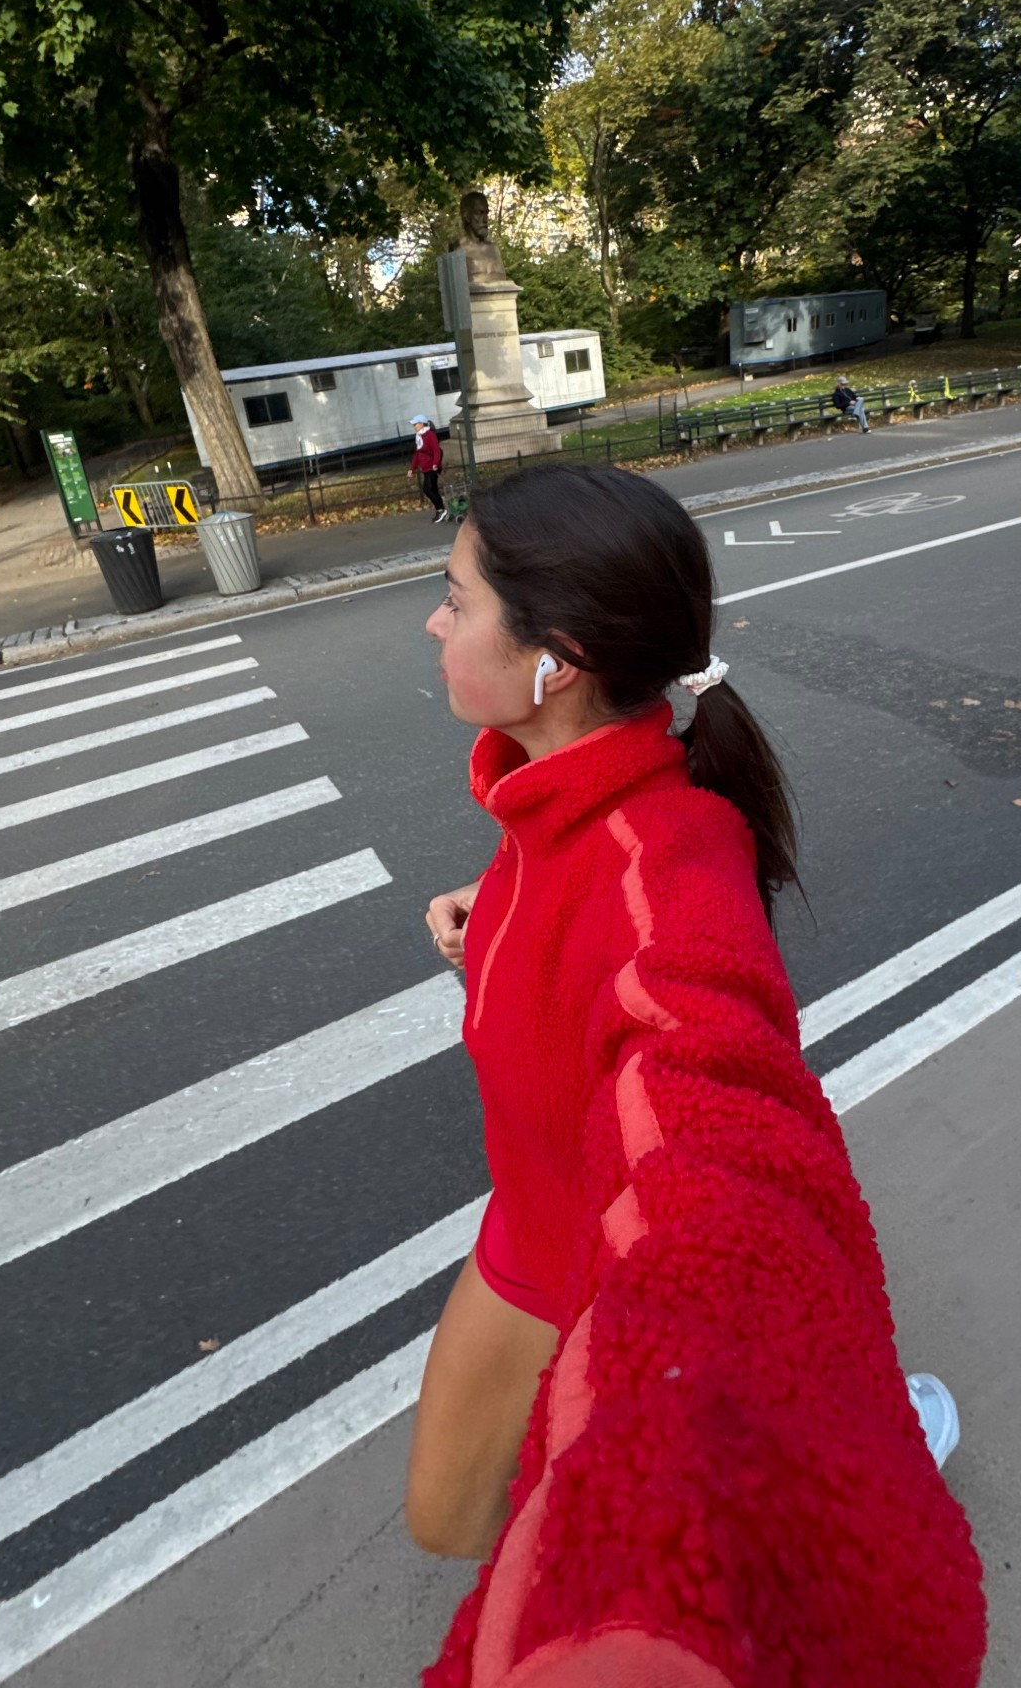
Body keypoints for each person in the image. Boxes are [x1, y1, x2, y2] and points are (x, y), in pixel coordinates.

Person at [412, 464, 985, 1688]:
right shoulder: (558, 797)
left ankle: (875, 1423)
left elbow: (705, 1078)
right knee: (449, 1524)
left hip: (617, 1266)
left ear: (552, 659)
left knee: (580, 1561)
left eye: (455, 598)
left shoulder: (672, 871)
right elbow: (570, 878)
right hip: (526, 1238)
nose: (435, 619)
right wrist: (491, 907)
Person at [408, 413, 447, 521]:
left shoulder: (430, 435)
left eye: (415, 424)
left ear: (421, 424)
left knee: (428, 488)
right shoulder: (419, 437)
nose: (414, 426)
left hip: (431, 467)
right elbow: (417, 454)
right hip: (425, 468)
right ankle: (441, 510)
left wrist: (435, 463)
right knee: (432, 489)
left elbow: (436, 450)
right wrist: (412, 468)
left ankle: (441, 510)